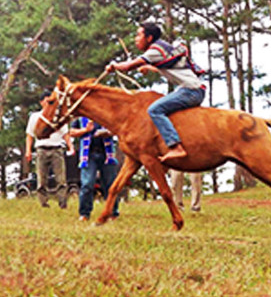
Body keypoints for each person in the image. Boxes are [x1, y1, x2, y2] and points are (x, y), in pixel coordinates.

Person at [106, 23, 206, 162]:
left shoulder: (155, 50)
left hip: (190, 91)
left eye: (139, 35)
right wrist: (148, 67)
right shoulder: (162, 48)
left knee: (154, 109)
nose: (136, 39)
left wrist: (113, 66)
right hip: (194, 89)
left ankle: (176, 147)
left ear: (149, 37)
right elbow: (170, 68)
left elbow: (128, 66)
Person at [25, 91, 73, 208]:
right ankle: (43, 202)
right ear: (41, 103)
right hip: (41, 148)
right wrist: (28, 151)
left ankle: (62, 202)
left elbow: (65, 133)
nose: (48, 104)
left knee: (61, 178)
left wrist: (70, 146)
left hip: (57, 148)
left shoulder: (58, 116)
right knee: (42, 178)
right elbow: (30, 135)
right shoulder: (35, 117)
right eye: (47, 102)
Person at [69, 116, 121, 221]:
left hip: (107, 154)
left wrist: (109, 133)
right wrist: (85, 130)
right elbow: (72, 132)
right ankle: (84, 213)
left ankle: (113, 212)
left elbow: (118, 129)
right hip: (88, 155)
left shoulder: (107, 113)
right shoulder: (81, 115)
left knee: (111, 184)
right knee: (87, 184)